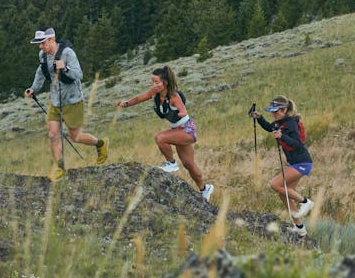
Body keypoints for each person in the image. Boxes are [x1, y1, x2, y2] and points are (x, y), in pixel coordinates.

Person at [116, 65, 214, 201]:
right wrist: (126, 104)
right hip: (177, 130)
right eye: (152, 82)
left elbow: (183, 109)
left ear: (165, 82)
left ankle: (171, 163)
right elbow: (139, 98)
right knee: (188, 164)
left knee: (160, 137)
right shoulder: (154, 93)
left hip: (186, 129)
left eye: (157, 82)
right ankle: (205, 189)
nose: (154, 85)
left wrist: (182, 112)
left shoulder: (173, 96)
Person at [25, 27, 109, 181]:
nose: (40, 46)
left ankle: (100, 144)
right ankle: (60, 168)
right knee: (53, 135)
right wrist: (33, 88)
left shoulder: (68, 53)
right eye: (39, 44)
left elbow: (79, 75)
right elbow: (41, 71)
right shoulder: (42, 55)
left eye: (42, 43)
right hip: (55, 100)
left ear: (51, 39)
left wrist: (65, 68)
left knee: (75, 137)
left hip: (73, 101)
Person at [250, 95, 313, 237]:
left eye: (276, 111)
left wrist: (281, 136)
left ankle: (306, 202)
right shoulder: (280, 123)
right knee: (283, 192)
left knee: (275, 184)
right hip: (295, 163)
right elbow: (269, 127)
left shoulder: (290, 123)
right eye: (272, 111)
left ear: (284, 110)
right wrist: (259, 118)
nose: (273, 114)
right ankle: (300, 228)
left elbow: (297, 143)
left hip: (302, 162)